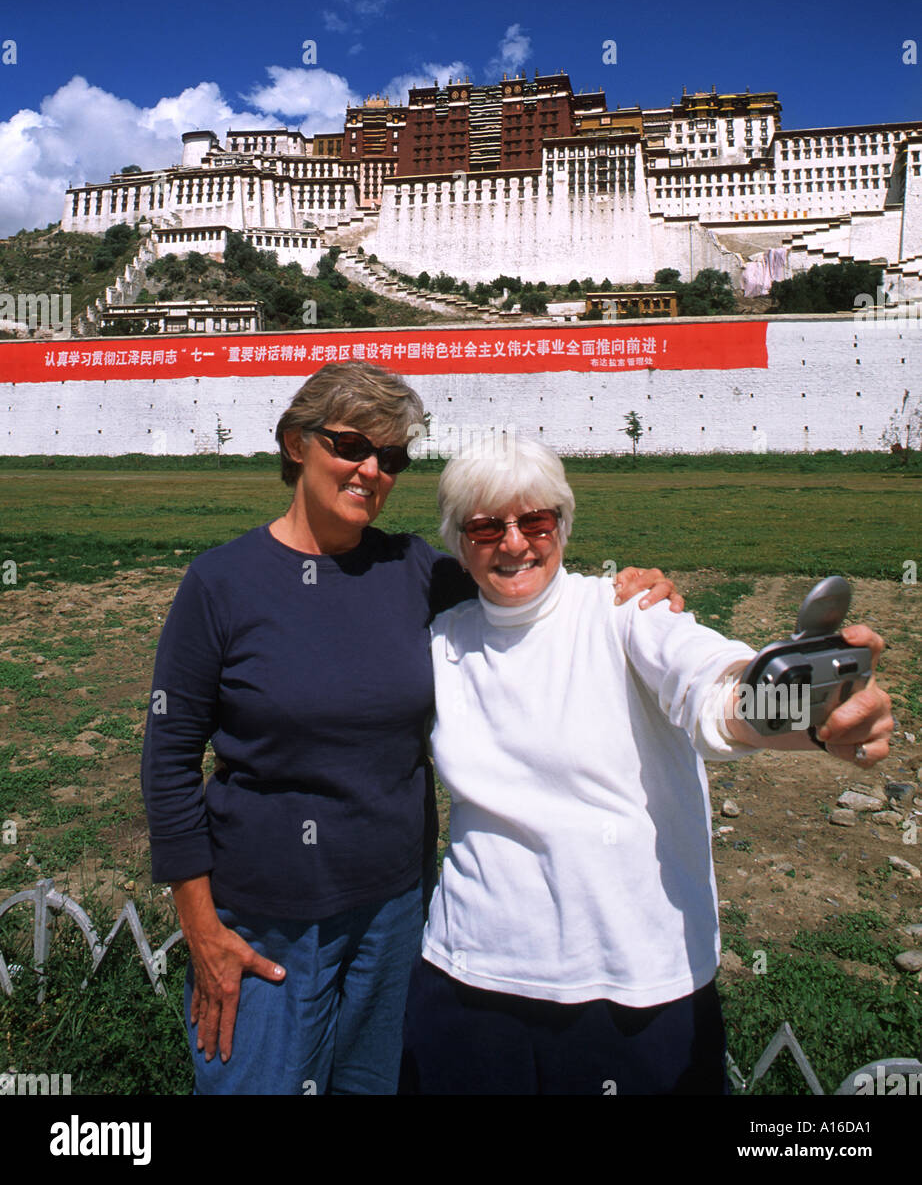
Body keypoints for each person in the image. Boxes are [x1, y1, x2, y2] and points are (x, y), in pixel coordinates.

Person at [141, 361, 682, 1095]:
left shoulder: (415, 572)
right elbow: (169, 759)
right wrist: (201, 931)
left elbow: (523, 578)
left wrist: (630, 591)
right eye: (352, 447)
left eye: (391, 458)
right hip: (263, 919)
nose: (371, 470)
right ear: (297, 444)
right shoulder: (222, 583)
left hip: (395, 915)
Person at [400, 437, 894, 1096]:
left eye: (535, 522)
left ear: (563, 526)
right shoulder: (442, 642)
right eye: (486, 527)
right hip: (470, 982)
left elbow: (711, 692)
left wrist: (809, 713)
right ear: (460, 542)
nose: (514, 544)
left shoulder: (626, 612)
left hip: (633, 986)